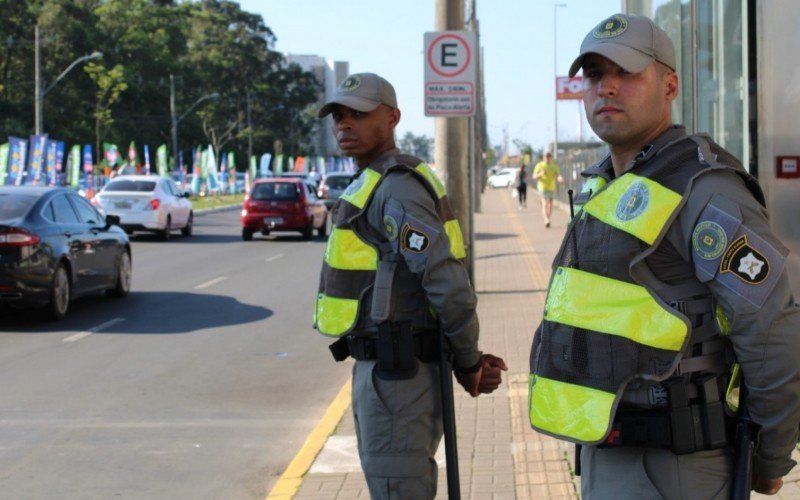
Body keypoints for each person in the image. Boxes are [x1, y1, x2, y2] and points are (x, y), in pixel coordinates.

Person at [527, 13, 800, 499]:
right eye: (594, 75)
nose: (606, 87)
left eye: (625, 73)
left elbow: (772, 328)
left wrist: (772, 454)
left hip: (672, 468)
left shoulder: (703, 188)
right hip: (608, 454)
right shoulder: (606, 185)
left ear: (670, 84)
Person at [314, 72, 507, 499]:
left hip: (397, 380)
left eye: (359, 115)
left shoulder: (396, 188)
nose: (345, 125)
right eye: (339, 116)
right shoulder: (376, 182)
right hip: (386, 372)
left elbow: (447, 283)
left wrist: (469, 361)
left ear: (392, 117)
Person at [532, 152, 560, 227]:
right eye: (546, 157)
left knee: (550, 205)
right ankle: (546, 219)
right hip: (542, 187)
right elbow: (534, 176)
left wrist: (560, 179)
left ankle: (547, 218)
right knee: (544, 203)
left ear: (551, 158)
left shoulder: (554, 166)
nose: (547, 158)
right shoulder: (539, 165)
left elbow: (557, 175)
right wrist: (540, 174)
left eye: (549, 157)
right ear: (544, 158)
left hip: (551, 187)